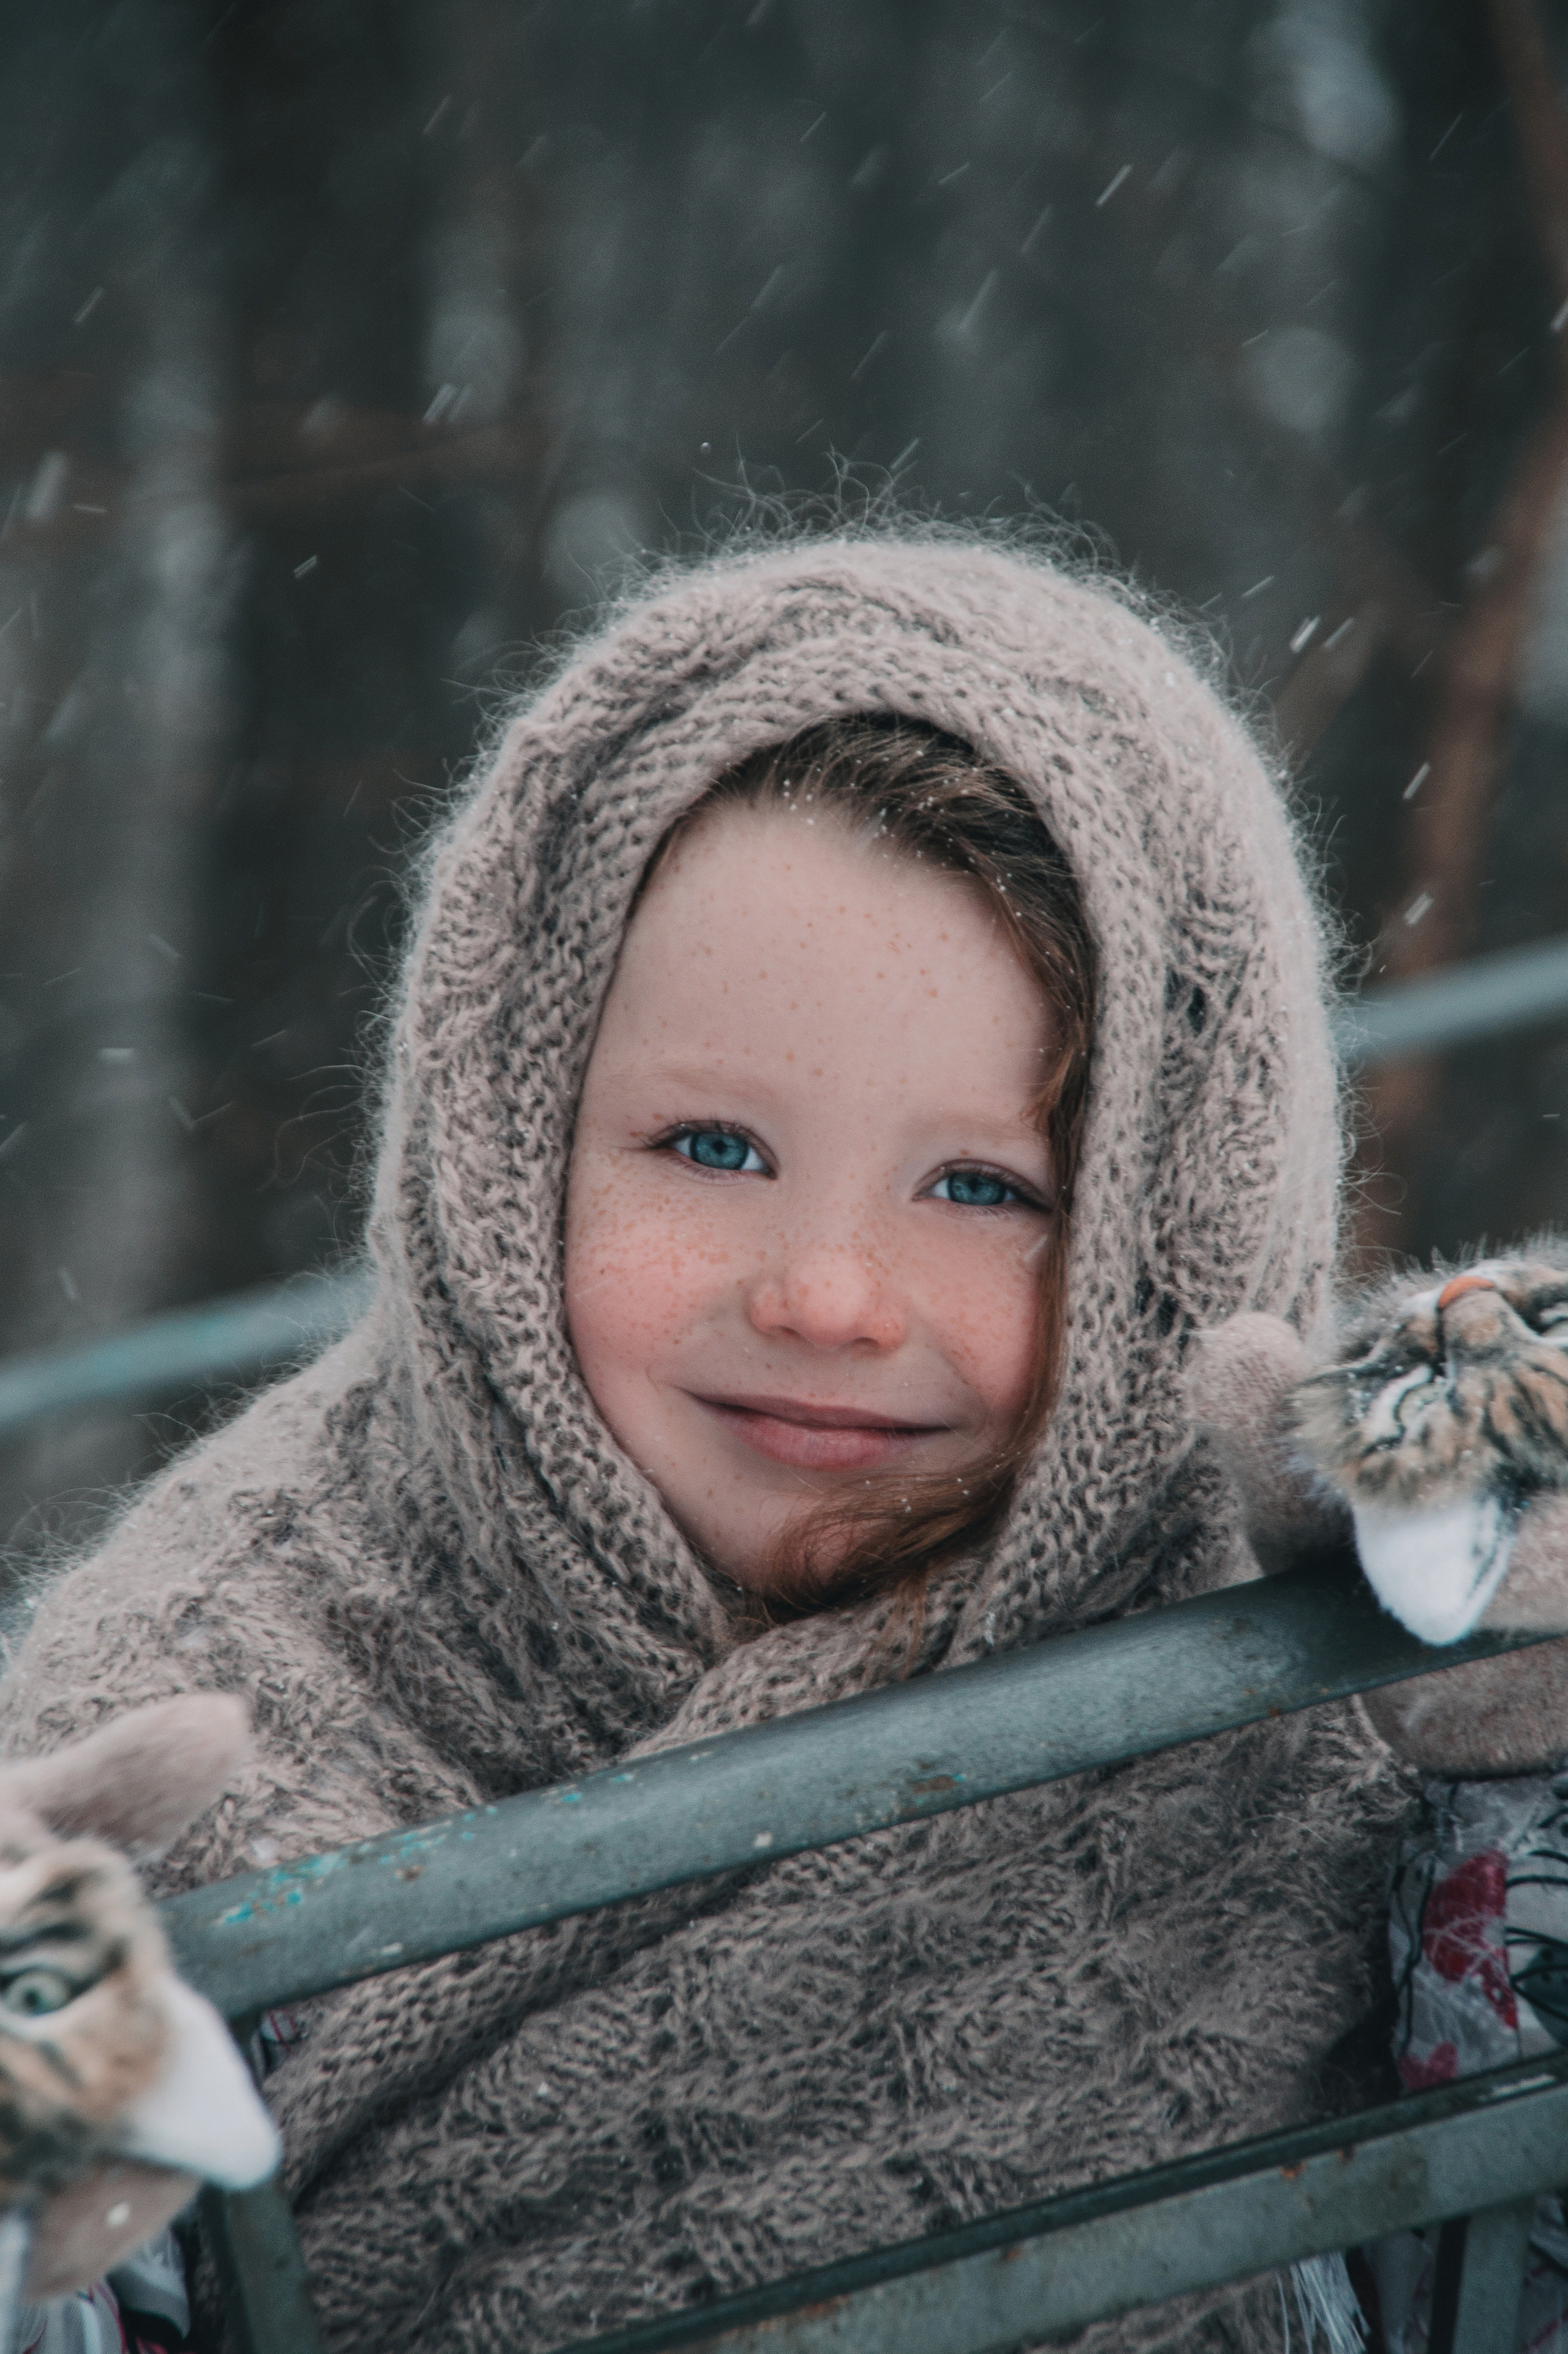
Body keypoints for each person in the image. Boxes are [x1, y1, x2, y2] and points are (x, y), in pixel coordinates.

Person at [0, 529, 1489, 2350]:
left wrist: (1523, 1779)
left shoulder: (1321, 1690)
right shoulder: (191, 1727)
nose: (831, 1294)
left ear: (1172, 1229)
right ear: (512, 1144)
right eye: (711, 1146)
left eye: (984, 1184)